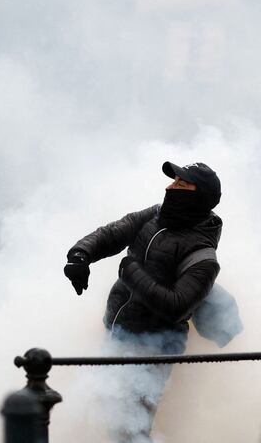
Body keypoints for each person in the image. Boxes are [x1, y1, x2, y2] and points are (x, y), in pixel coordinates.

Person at [63, 161, 222, 443]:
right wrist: (80, 255)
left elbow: (177, 306)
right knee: (110, 418)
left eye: (181, 184)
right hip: (117, 333)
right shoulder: (156, 216)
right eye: (173, 181)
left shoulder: (203, 256)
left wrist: (130, 272)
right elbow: (114, 232)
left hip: (152, 351)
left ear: (198, 197)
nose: (170, 187)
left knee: (131, 429)